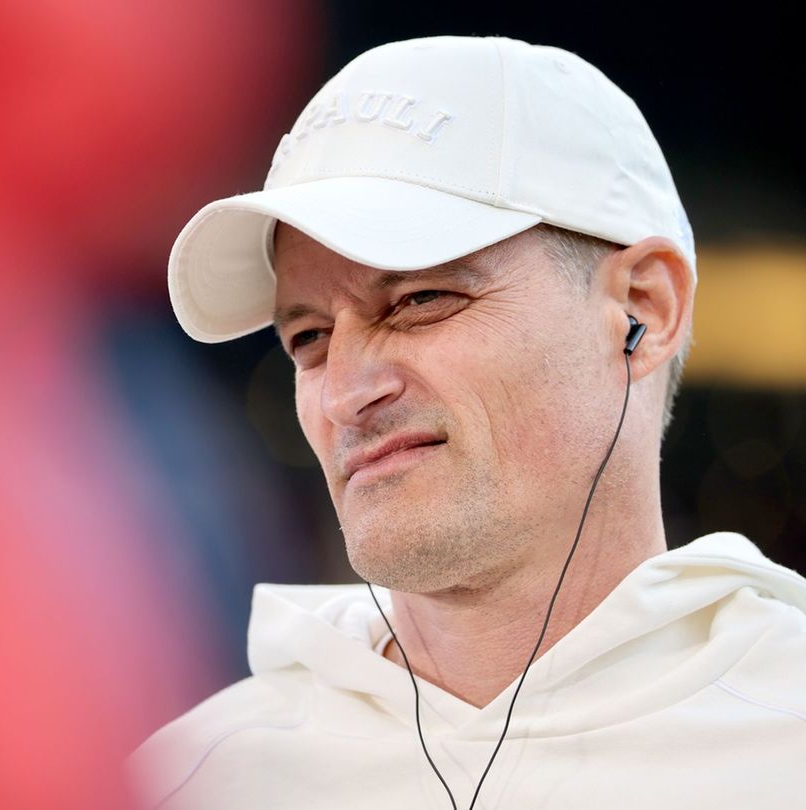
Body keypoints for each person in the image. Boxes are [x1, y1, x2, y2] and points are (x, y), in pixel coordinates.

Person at [128, 35, 806, 809]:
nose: (345, 393)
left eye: (420, 300)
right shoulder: (186, 782)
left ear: (642, 309)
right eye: (308, 338)